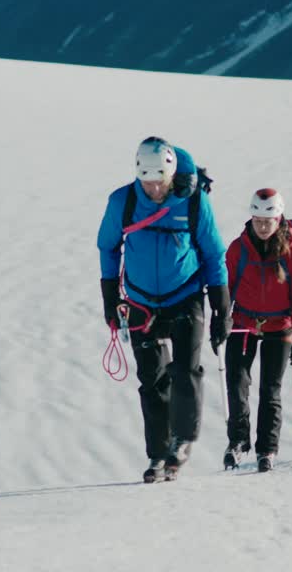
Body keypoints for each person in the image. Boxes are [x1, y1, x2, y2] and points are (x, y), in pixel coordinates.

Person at [98, 137, 230, 482]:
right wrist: (111, 299)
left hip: (184, 296)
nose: (154, 188)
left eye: (160, 181)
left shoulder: (194, 202)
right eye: (147, 181)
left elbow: (214, 254)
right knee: (151, 380)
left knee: (185, 372)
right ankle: (157, 455)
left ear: (171, 175)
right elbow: (108, 248)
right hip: (140, 301)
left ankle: (182, 440)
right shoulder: (123, 202)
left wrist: (221, 307)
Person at [222, 188, 292, 473]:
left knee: (270, 390)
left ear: (278, 218)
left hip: (279, 327)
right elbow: (224, 286)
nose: (262, 226)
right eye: (258, 219)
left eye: (268, 220)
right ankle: (238, 442)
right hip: (243, 325)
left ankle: (267, 450)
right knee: (237, 384)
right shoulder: (238, 248)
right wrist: (221, 318)